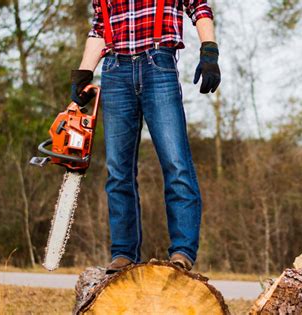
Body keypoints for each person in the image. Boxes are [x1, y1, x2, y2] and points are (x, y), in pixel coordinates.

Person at [71, 0, 220, 272]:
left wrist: (209, 50)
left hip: (158, 65)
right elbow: (100, 27)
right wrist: (84, 72)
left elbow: (198, 7)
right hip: (115, 71)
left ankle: (182, 251)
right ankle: (124, 253)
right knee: (117, 170)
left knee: (176, 163)